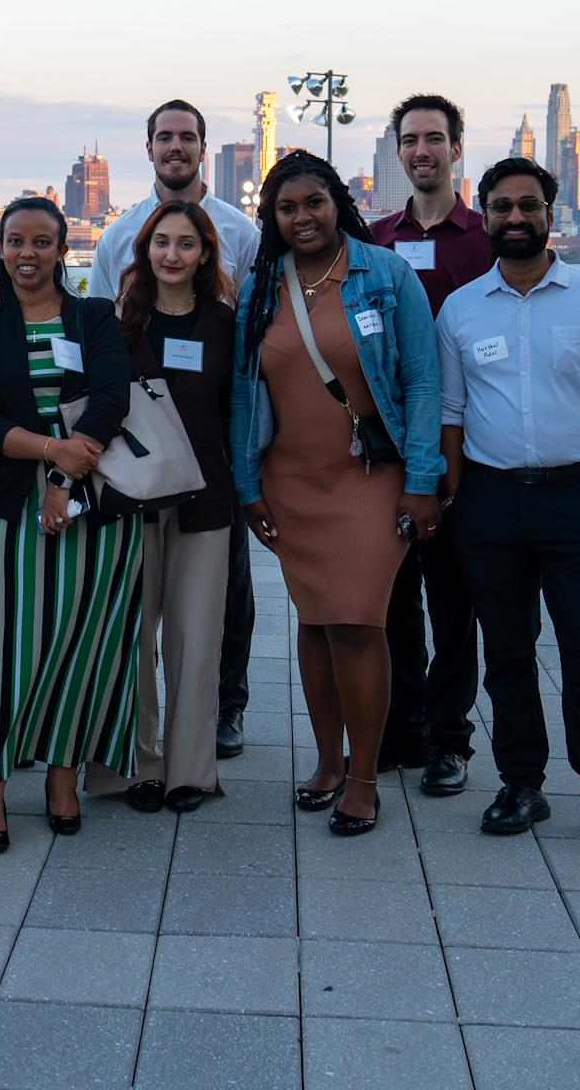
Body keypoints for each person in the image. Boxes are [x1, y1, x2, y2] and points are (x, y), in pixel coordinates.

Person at [437, 156, 580, 855]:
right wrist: (458, 499)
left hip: (577, 499)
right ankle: (521, 783)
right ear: (486, 216)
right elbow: (451, 412)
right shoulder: (461, 309)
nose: (516, 218)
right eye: (502, 207)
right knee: (505, 652)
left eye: (529, 205)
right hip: (491, 503)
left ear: (551, 215)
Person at [228, 150, 443, 836]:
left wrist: (422, 481)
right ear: (273, 218)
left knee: (357, 621)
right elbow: (241, 393)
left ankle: (362, 776)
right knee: (316, 626)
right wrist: (247, 486)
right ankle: (324, 761)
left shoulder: (386, 275)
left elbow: (424, 382)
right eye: (286, 208)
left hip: (370, 480)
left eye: (313, 203)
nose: (302, 217)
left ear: (337, 203)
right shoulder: (261, 284)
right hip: (290, 481)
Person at [0, 196, 142, 852]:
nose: (27, 253)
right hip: (12, 512)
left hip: (99, 516)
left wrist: (66, 479)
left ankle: (63, 779)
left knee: (81, 648)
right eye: (15, 241)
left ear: (62, 250)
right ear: (0, 248)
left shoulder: (94, 316)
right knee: (3, 655)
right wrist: (49, 454)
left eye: (41, 242)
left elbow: (114, 398)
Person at [86, 99, 263, 760]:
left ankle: (227, 704)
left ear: (203, 147)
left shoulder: (241, 233)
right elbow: (104, 336)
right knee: (142, 593)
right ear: (150, 147)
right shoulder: (119, 235)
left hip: (214, 429)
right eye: (165, 137)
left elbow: (248, 339)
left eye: (188, 137)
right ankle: (141, 732)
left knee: (227, 584)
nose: (176, 148)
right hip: (139, 433)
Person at [85, 200, 235, 814]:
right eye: (161, 243)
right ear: (143, 250)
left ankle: (190, 773)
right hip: (133, 499)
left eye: (186, 244)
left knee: (196, 641)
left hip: (206, 499)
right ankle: (136, 766)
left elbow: (241, 412)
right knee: (129, 638)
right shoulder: (119, 323)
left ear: (204, 255)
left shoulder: (226, 325)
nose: (172, 255)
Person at [365, 94, 496, 798]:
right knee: (392, 602)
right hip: (390, 451)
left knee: (453, 604)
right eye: (410, 139)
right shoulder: (376, 241)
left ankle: (452, 741)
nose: (422, 150)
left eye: (434, 139)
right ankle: (402, 729)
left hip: (463, 449)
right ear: (397, 150)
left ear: (456, 148)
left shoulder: (483, 238)